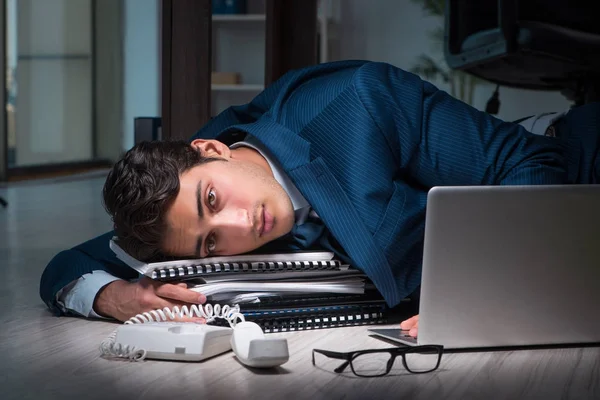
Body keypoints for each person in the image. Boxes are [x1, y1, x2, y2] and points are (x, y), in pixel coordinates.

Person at [39, 60, 600, 337]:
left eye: (214, 198)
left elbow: (529, 162)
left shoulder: (359, 103)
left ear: (212, 147)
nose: (238, 226)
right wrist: (117, 298)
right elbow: (67, 267)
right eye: (211, 241)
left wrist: (478, 294)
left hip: (575, 158)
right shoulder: (179, 213)